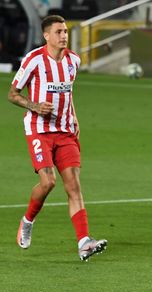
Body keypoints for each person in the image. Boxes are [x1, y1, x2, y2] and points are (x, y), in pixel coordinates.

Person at [8, 15, 107, 261]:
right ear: (47, 35)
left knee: (73, 185)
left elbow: (68, 93)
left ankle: (84, 243)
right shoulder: (33, 60)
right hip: (39, 129)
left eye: (65, 31)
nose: (64, 35)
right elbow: (12, 94)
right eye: (59, 32)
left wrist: (75, 118)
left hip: (65, 131)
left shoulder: (74, 60)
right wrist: (33, 105)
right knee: (48, 182)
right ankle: (28, 219)